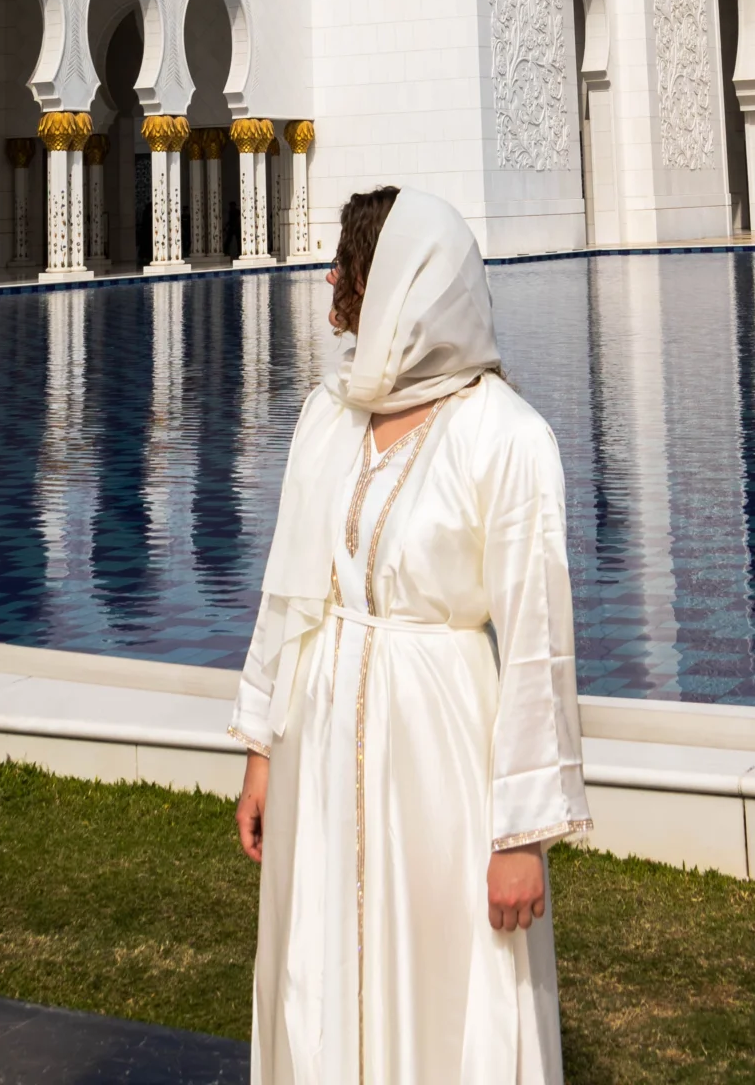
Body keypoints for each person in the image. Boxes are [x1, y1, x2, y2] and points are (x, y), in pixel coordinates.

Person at [233, 184, 589, 1083]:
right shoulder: (332, 415)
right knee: (316, 953)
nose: (332, 282)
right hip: (316, 738)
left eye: (349, 267)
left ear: (399, 283)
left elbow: (537, 643)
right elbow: (288, 591)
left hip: (437, 754)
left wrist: (519, 837)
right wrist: (261, 748)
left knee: (438, 966)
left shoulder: (503, 436)